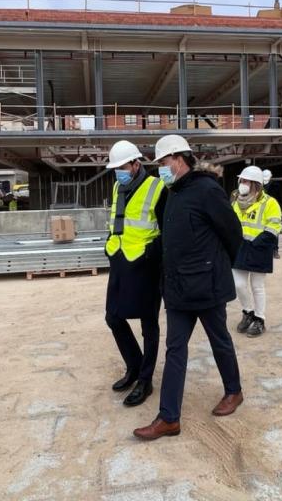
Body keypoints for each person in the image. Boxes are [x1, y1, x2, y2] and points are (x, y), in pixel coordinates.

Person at [133, 134, 244, 441]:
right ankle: (169, 418)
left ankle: (233, 391)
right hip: (178, 287)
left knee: (219, 340)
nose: (160, 170)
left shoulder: (207, 190)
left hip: (206, 285)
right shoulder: (171, 194)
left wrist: (216, 267)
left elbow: (232, 234)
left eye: (163, 163)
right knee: (175, 350)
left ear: (180, 160)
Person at [104, 140, 167, 407]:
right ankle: (134, 366)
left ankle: (145, 380)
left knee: (148, 324)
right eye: (115, 167)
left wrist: (152, 251)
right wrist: (109, 245)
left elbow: (168, 230)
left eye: (121, 166)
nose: (117, 171)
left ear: (135, 163)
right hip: (120, 259)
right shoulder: (119, 185)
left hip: (146, 265)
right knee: (113, 317)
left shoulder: (158, 187)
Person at [230, 166, 282, 338]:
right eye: (241, 181)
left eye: (245, 181)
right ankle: (248, 312)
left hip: (260, 248)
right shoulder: (236, 202)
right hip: (240, 249)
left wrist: (258, 243)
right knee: (239, 284)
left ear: (255, 184)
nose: (242, 184)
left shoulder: (270, 203)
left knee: (257, 286)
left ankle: (259, 319)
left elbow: (274, 226)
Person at [261, 169, 281, 260]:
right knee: (273, 230)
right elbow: (279, 199)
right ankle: (274, 251)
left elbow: (278, 199)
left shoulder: (274, 186)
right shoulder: (260, 186)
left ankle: (274, 250)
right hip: (268, 211)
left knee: (273, 230)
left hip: (271, 211)